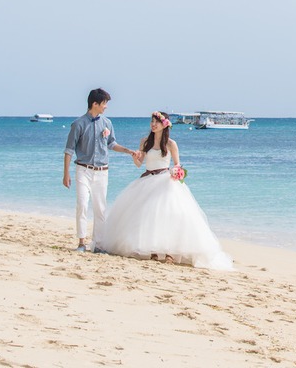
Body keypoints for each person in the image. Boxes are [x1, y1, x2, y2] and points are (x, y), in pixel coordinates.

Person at [95, 112, 232, 270]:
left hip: (165, 180)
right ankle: (152, 251)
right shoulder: (145, 141)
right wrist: (135, 156)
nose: (153, 125)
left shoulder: (170, 144)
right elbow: (139, 164)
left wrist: (176, 171)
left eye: (157, 122)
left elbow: (177, 163)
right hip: (147, 180)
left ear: (165, 124)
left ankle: (170, 253)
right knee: (147, 215)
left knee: (169, 216)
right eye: (152, 122)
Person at [62, 88, 141, 252]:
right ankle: (82, 243)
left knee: (100, 208)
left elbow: (112, 144)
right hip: (83, 170)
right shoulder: (78, 124)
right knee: (82, 204)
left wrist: (128, 151)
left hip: (102, 172)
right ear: (95, 104)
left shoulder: (107, 123)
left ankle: (97, 245)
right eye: (104, 103)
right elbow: (69, 150)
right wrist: (66, 174)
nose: (106, 107)